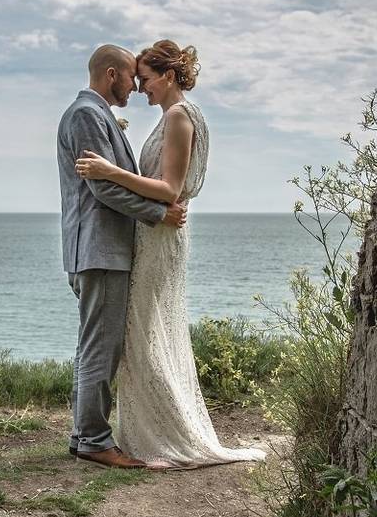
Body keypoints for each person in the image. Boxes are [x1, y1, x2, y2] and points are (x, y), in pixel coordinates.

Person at [75, 39, 266, 469]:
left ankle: (165, 433)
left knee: (145, 331)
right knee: (142, 333)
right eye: (136, 80)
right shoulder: (170, 117)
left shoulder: (180, 117)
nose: (141, 88)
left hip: (161, 235)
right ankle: (141, 431)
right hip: (152, 233)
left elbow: (170, 190)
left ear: (168, 76)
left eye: (145, 80)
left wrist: (110, 170)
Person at [57, 44, 188, 468]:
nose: (135, 86)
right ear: (111, 74)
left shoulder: (91, 114)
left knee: (94, 342)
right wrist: (158, 214)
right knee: (103, 345)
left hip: (97, 248)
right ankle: (95, 440)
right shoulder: (87, 115)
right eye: (132, 77)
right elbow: (104, 188)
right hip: (100, 249)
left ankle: (84, 436)